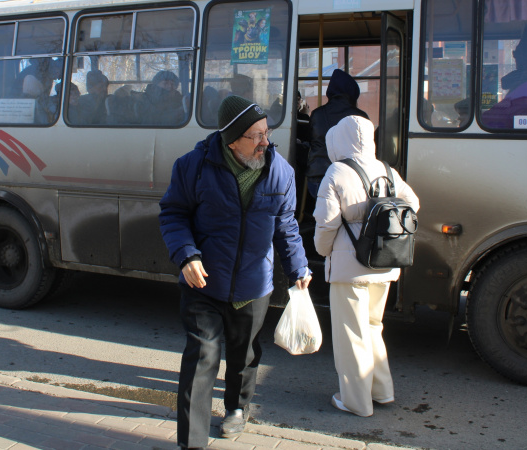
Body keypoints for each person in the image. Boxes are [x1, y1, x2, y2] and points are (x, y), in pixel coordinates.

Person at [159, 95, 312, 449]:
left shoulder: (281, 171)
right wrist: (186, 255)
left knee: (244, 356)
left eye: (266, 132)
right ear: (231, 139)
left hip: (254, 285)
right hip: (204, 284)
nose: (265, 142)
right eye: (255, 135)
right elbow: (173, 214)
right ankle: (192, 442)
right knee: (201, 359)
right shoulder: (193, 167)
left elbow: (286, 225)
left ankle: (236, 409)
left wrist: (298, 267)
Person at [313, 115, 419, 418]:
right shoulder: (387, 170)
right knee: (374, 327)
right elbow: (413, 204)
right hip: (385, 263)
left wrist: (324, 252)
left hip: (350, 267)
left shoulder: (337, 171)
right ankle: (382, 391)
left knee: (351, 336)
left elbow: (326, 223)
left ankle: (356, 401)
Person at [307, 69, 368, 198]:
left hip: (318, 178)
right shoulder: (362, 117)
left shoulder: (317, 114)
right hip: (353, 179)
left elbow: (310, 140)